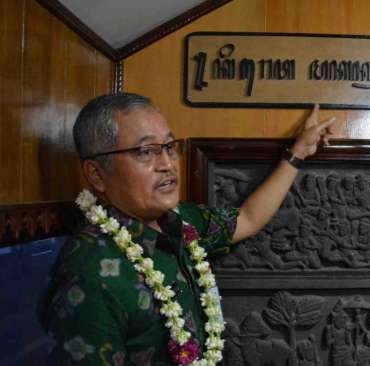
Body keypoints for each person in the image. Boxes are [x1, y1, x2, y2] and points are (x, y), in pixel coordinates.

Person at [39, 93, 336, 365]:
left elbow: (247, 218)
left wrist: (298, 152)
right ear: (96, 174)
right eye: (146, 151)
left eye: (169, 147)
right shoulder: (88, 278)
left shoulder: (181, 222)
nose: (167, 163)